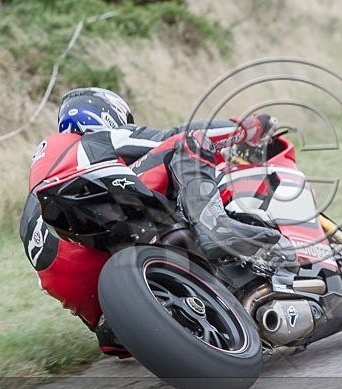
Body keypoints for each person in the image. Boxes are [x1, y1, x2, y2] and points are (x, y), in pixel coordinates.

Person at [19, 87, 279, 357]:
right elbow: (174, 137)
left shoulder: (32, 202)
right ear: (106, 115)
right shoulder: (97, 139)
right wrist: (248, 127)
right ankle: (213, 226)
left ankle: (120, 323)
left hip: (79, 275)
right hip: (102, 194)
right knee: (188, 142)